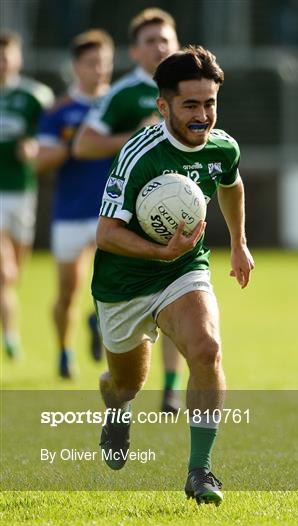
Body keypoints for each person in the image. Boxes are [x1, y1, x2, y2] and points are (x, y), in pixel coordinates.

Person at [92, 46, 254, 505]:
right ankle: (117, 408)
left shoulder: (222, 146)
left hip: (184, 268)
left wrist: (238, 243)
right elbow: (106, 234)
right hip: (123, 283)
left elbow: (232, 183)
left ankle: (200, 471)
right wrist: (159, 250)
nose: (203, 115)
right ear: (163, 106)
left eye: (210, 103)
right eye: (191, 105)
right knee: (125, 383)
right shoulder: (138, 154)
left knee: (207, 348)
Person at [73, 8, 182, 412]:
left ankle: (171, 389)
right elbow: (83, 145)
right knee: (134, 324)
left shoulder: (187, 89)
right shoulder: (123, 94)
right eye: (151, 41)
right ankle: (119, 389)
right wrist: (132, 136)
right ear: (135, 52)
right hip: (131, 221)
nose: (160, 47)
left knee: (182, 297)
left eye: (166, 39)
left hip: (179, 217)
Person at [36, 29, 114, 378]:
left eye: (105, 62)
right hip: (69, 212)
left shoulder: (117, 104)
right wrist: (77, 145)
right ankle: (65, 351)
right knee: (67, 291)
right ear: (76, 67)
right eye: (91, 63)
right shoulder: (59, 111)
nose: (99, 70)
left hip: (111, 213)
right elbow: (39, 161)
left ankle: (97, 322)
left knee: (111, 285)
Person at [0, 30, 54, 359]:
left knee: (15, 273)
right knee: (3, 272)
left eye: (7, 54)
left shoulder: (35, 96)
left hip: (24, 193)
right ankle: (10, 334)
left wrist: (34, 149)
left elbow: (50, 138)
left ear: (18, 58)